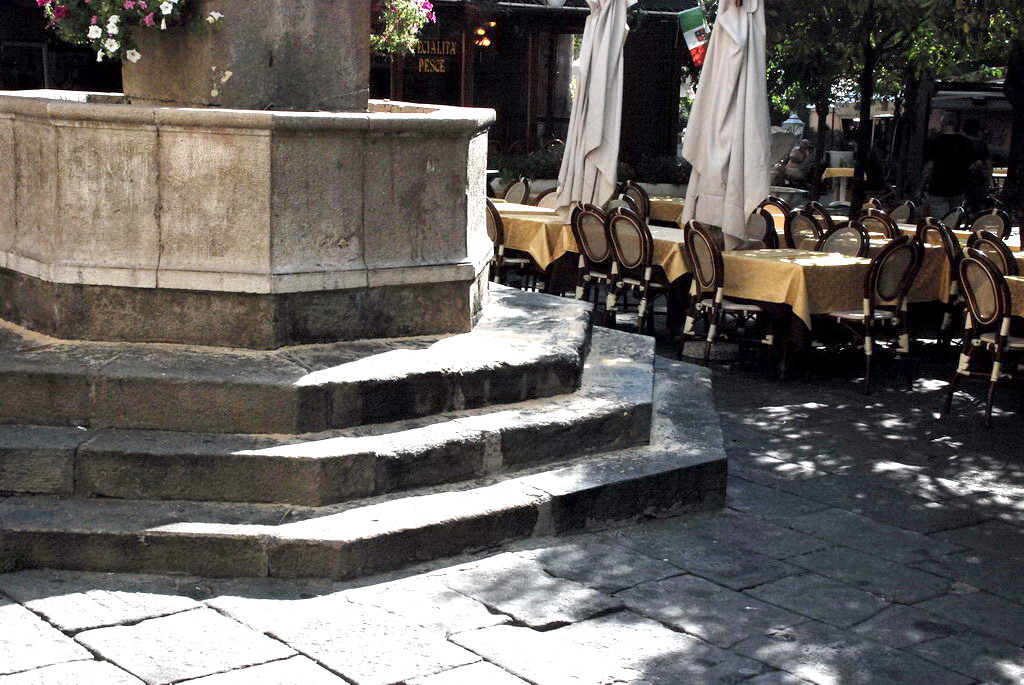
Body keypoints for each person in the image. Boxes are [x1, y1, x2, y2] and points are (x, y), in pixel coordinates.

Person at [920, 112, 978, 218]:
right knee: (954, 219)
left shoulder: (936, 142)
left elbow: (929, 167)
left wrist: (920, 187)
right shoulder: (966, 143)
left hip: (938, 187)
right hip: (958, 188)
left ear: (943, 123)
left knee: (940, 221)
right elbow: (973, 165)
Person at [962, 118, 992, 213]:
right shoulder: (981, 145)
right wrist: (989, 181)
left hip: (962, 179)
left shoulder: (961, 143)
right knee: (977, 206)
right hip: (978, 180)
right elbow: (989, 164)